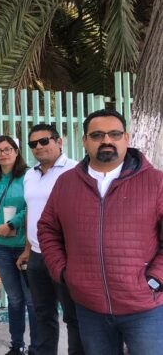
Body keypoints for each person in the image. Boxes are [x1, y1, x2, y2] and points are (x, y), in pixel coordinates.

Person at [38, 109, 163, 355]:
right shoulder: (66, 183)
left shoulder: (156, 182)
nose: (106, 140)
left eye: (114, 134)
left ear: (126, 138)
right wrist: (64, 272)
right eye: (97, 135)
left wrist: (155, 279)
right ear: (84, 141)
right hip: (89, 307)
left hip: (145, 307)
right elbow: (48, 229)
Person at [16, 124, 83, 355]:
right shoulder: (29, 175)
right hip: (35, 255)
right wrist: (27, 248)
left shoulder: (76, 171)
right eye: (33, 144)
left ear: (59, 141)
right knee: (42, 313)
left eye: (44, 141)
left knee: (73, 316)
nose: (38, 147)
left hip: (65, 255)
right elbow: (30, 212)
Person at [0, 135, 36, 355]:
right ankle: (17, 345)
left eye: (8, 149)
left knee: (31, 300)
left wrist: (13, 223)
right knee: (14, 299)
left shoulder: (30, 176)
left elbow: (33, 204)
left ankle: (37, 346)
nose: (3, 153)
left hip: (26, 246)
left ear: (16, 151)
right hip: (1, 246)